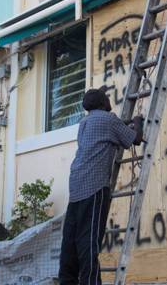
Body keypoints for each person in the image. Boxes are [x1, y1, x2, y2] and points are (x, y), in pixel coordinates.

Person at [59, 88, 143, 285]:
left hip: (76, 185)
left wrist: (124, 124)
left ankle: (67, 281)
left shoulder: (85, 122)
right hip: (94, 187)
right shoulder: (109, 119)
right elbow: (135, 139)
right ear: (102, 104)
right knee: (89, 241)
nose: (109, 100)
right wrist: (138, 122)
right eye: (106, 97)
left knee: (70, 241)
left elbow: (111, 128)